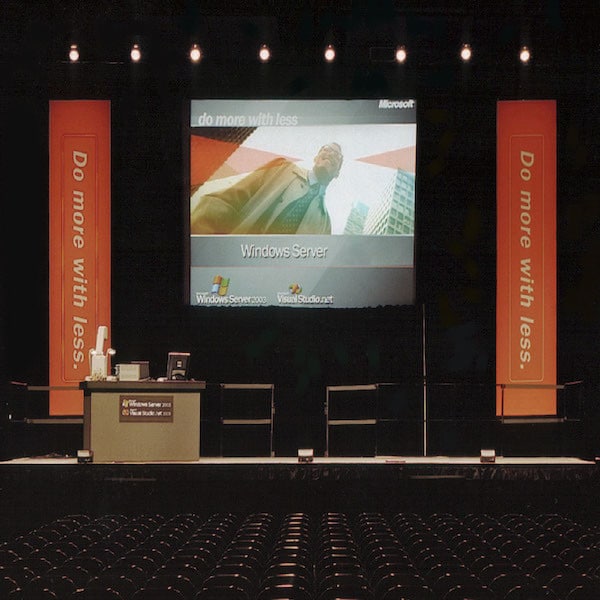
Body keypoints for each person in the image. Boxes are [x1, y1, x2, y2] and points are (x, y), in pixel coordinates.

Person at [190, 142, 343, 234]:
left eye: (337, 155)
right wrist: (202, 244)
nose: (331, 153)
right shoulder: (280, 168)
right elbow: (227, 201)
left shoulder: (325, 226)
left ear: (337, 173)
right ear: (316, 158)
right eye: (327, 149)